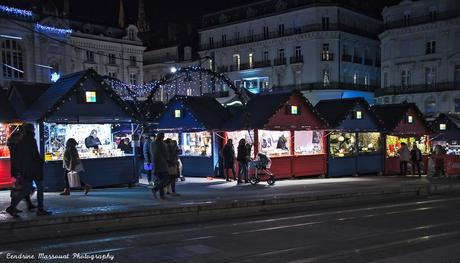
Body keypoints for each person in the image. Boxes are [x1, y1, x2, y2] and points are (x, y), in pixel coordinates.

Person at [17, 124, 51, 216]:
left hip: (27, 168)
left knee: (26, 188)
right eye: (34, 128)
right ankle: (40, 209)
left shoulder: (22, 140)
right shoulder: (31, 140)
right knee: (40, 187)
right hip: (34, 168)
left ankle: (12, 206)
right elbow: (34, 154)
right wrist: (41, 161)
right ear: (32, 130)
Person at [5, 126, 36, 217]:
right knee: (25, 188)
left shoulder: (13, 145)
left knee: (19, 188)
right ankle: (12, 207)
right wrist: (20, 171)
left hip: (16, 169)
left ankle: (28, 204)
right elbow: (19, 159)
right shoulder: (17, 146)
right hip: (18, 170)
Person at [151, 133, 169, 199]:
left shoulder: (153, 143)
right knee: (165, 179)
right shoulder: (160, 144)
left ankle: (161, 195)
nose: (163, 137)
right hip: (161, 164)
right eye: (163, 136)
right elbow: (158, 154)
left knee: (160, 180)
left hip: (157, 164)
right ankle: (156, 189)